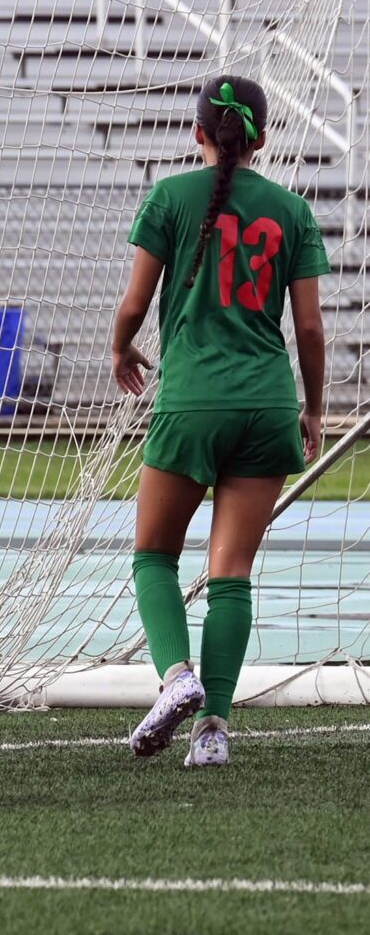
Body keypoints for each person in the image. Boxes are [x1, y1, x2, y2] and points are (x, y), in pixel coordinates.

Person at [112, 75, 328, 767]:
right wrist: (313, 407)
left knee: (152, 556)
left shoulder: (169, 196)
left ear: (198, 132)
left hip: (191, 400)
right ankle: (212, 731)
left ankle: (176, 678)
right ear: (260, 139)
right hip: (265, 401)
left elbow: (134, 302)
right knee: (231, 572)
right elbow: (311, 328)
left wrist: (120, 348)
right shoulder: (291, 209)